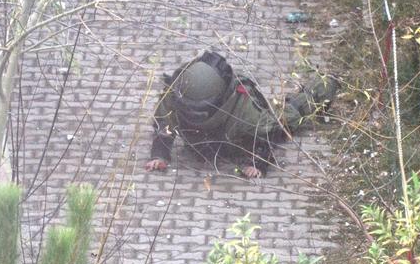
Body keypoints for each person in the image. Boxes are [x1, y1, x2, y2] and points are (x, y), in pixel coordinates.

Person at [144, 50, 339, 179]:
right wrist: (159, 156)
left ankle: (324, 86)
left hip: (236, 137)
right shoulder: (174, 95)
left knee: (284, 122)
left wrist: (258, 164)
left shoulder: (243, 107)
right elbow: (163, 125)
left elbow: (266, 133)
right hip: (204, 143)